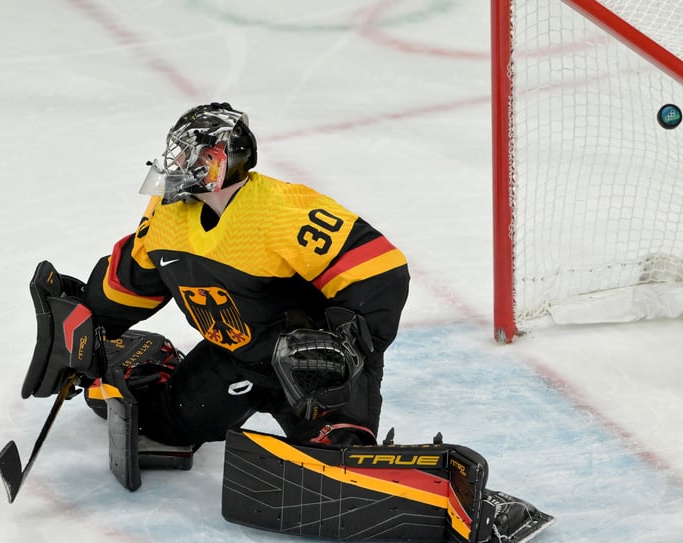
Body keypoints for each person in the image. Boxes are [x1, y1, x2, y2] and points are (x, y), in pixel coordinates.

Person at [41, 102, 409, 452]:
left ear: (216, 161)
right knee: (166, 426)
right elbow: (135, 281)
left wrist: (342, 346)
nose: (177, 162)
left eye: (187, 153)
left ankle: (341, 436)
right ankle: (157, 367)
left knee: (336, 449)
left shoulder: (284, 212)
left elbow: (380, 272)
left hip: (313, 370)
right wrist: (91, 324)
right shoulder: (168, 212)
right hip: (236, 357)